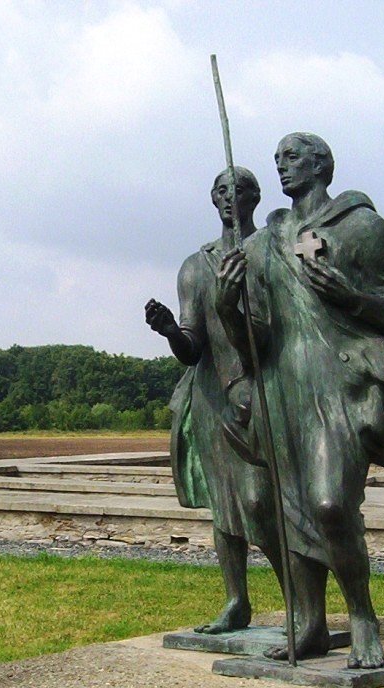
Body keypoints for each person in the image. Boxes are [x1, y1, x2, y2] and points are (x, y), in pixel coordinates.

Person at [216, 132, 384, 668]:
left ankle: (361, 615)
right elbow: (252, 343)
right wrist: (227, 304)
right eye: (276, 160)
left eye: (291, 157)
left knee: (331, 505)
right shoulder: (261, 244)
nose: (281, 167)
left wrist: (349, 296)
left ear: (322, 164)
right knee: (286, 512)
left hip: (342, 381)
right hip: (281, 385)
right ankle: (308, 623)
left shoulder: (361, 226)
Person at [144, 167, 278, 635]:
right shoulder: (195, 267)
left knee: (263, 503)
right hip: (210, 396)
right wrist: (168, 333)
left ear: (255, 198)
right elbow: (192, 344)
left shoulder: (268, 254)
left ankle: (302, 604)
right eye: (221, 191)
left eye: (239, 190)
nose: (229, 198)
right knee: (223, 506)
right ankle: (236, 599)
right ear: (212, 200)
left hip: (261, 390)